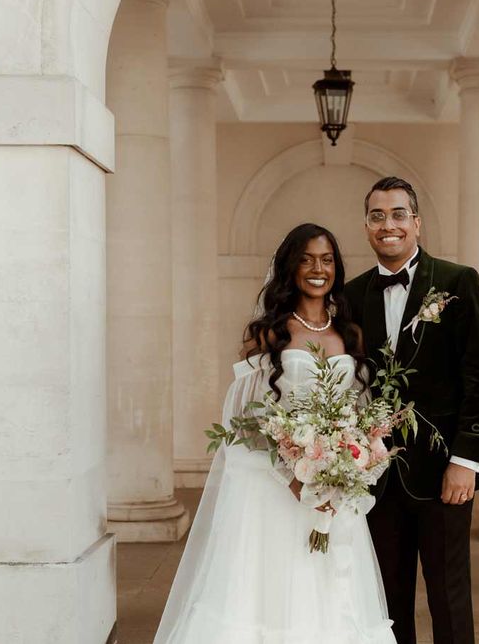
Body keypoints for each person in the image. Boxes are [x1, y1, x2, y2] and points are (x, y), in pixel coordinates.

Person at [154, 223, 396, 644]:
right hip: (276, 492)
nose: (317, 268)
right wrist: (294, 472)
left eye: (326, 259)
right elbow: (242, 419)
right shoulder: (268, 333)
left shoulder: (350, 334)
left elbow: (359, 412)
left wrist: (350, 465)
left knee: (330, 599)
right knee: (275, 595)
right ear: (290, 268)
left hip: (335, 494)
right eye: (306, 259)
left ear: (336, 267)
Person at [344, 176, 479, 644]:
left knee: (449, 598)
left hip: (444, 473)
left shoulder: (458, 281)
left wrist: (465, 461)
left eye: (397, 214)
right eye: (377, 215)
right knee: (387, 602)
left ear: (416, 222)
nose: (387, 224)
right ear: (367, 225)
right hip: (377, 475)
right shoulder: (351, 296)